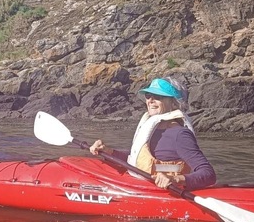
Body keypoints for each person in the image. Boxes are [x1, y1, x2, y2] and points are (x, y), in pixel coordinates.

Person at [89, 77, 217, 190]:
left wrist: (176, 179)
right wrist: (108, 151)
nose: (151, 100)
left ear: (174, 103)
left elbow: (208, 174)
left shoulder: (180, 135)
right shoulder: (154, 128)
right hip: (141, 183)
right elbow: (138, 160)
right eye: (148, 95)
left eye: (158, 97)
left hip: (166, 191)